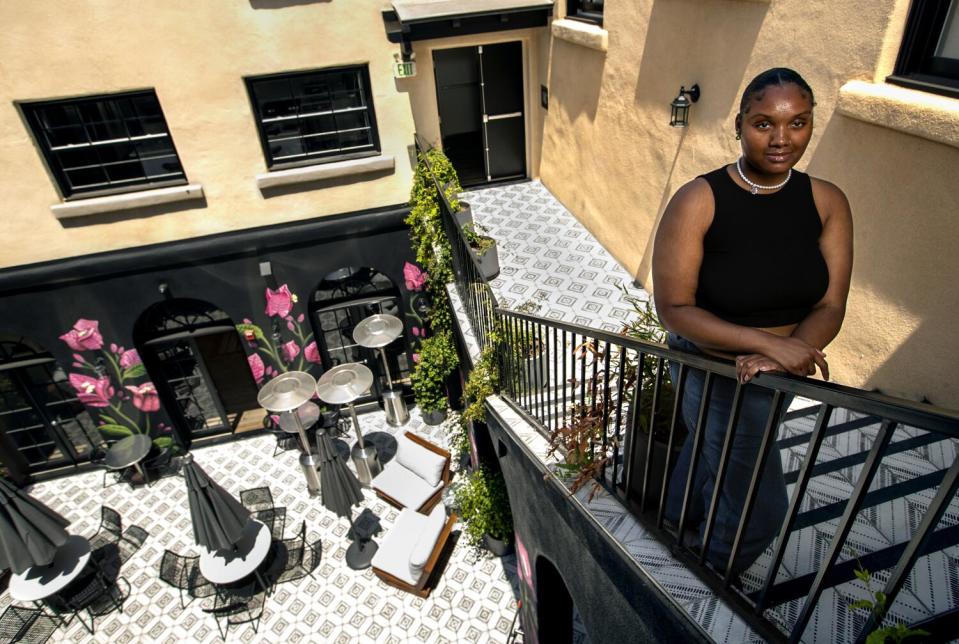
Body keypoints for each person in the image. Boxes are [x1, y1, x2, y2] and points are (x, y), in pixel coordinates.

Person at [651, 68, 853, 574]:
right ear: (739, 124)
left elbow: (830, 304)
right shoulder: (698, 199)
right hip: (715, 369)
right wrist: (767, 346)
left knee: (709, 450)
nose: (782, 139)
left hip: (773, 374)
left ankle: (674, 519)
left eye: (798, 123)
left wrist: (780, 356)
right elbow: (673, 307)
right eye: (764, 123)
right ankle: (709, 573)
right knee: (758, 513)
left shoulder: (827, 201)